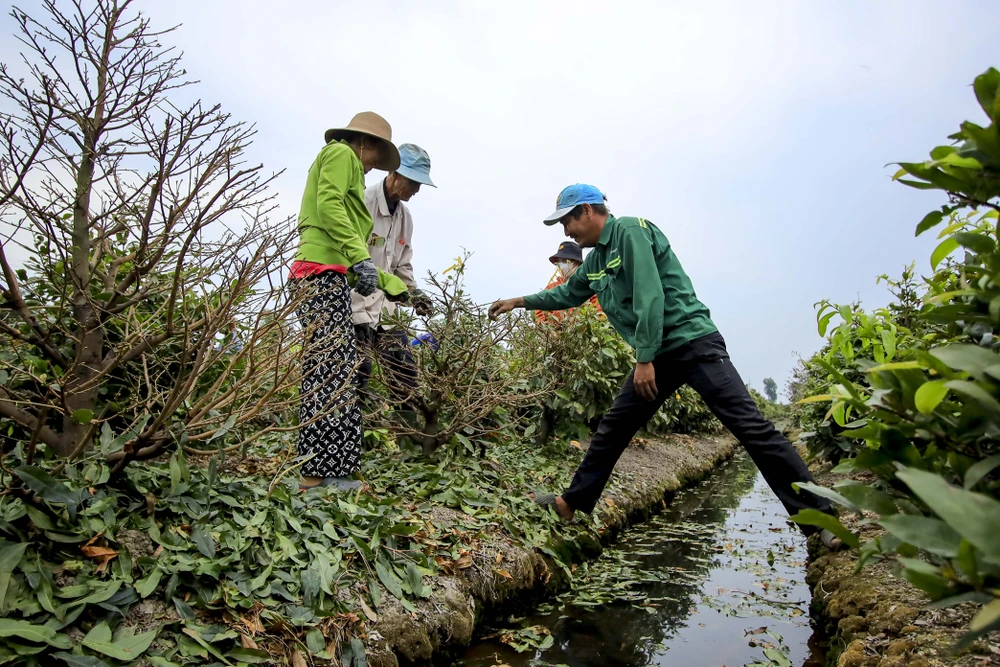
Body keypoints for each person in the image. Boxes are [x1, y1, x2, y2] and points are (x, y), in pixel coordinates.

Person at [489, 184, 841, 547]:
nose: (566, 232)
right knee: (613, 428)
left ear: (588, 211)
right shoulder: (595, 261)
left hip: (692, 343)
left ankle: (823, 520)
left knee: (752, 428)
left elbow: (649, 293)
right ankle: (570, 502)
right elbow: (568, 292)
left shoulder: (630, 231)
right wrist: (519, 301)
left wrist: (644, 359)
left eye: (567, 221)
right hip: (657, 353)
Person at [290, 112, 409, 492]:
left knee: (335, 374)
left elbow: (361, 265)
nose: (375, 164)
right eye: (376, 154)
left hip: (332, 274)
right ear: (365, 143)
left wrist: (399, 288)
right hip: (318, 273)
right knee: (328, 374)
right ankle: (315, 477)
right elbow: (329, 207)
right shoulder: (341, 154)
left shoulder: (351, 171)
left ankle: (330, 473)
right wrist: (359, 256)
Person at [353, 144, 435, 407]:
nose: (417, 190)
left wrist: (414, 293)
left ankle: (408, 442)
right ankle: (358, 438)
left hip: (386, 311)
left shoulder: (405, 217)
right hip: (356, 304)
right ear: (395, 173)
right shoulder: (363, 202)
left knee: (405, 377)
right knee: (358, 373)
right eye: (413, 182)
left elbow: (402, 266)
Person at [534, 240, 601, 325]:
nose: (561, 266)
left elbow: (600, 315)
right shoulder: (551, 289)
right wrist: (549, 329)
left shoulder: (591, 286)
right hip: (557, 337)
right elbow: (539, 312)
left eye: (565, 261)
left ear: (576, 263)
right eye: (558, 262)